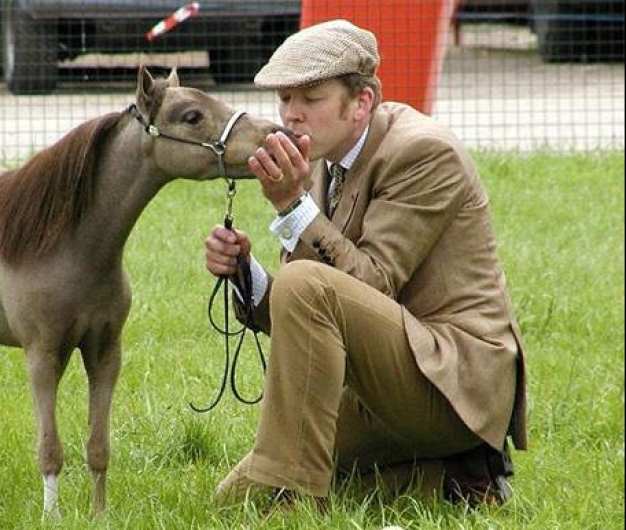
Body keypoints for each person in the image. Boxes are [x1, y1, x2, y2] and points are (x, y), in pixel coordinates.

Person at [204, 19, 527, 508]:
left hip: (454, 385)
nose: (291, 116)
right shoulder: (318, 159)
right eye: (284, 100)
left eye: (309, 98)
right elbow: (305, 310)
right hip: (383, 381)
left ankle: (297, 503)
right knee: (234, 499)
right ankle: (456, 481)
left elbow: (371, 285)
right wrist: (245, 273)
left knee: (277, 480)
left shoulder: (423, 151)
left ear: (362, 101)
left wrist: (293, 207)